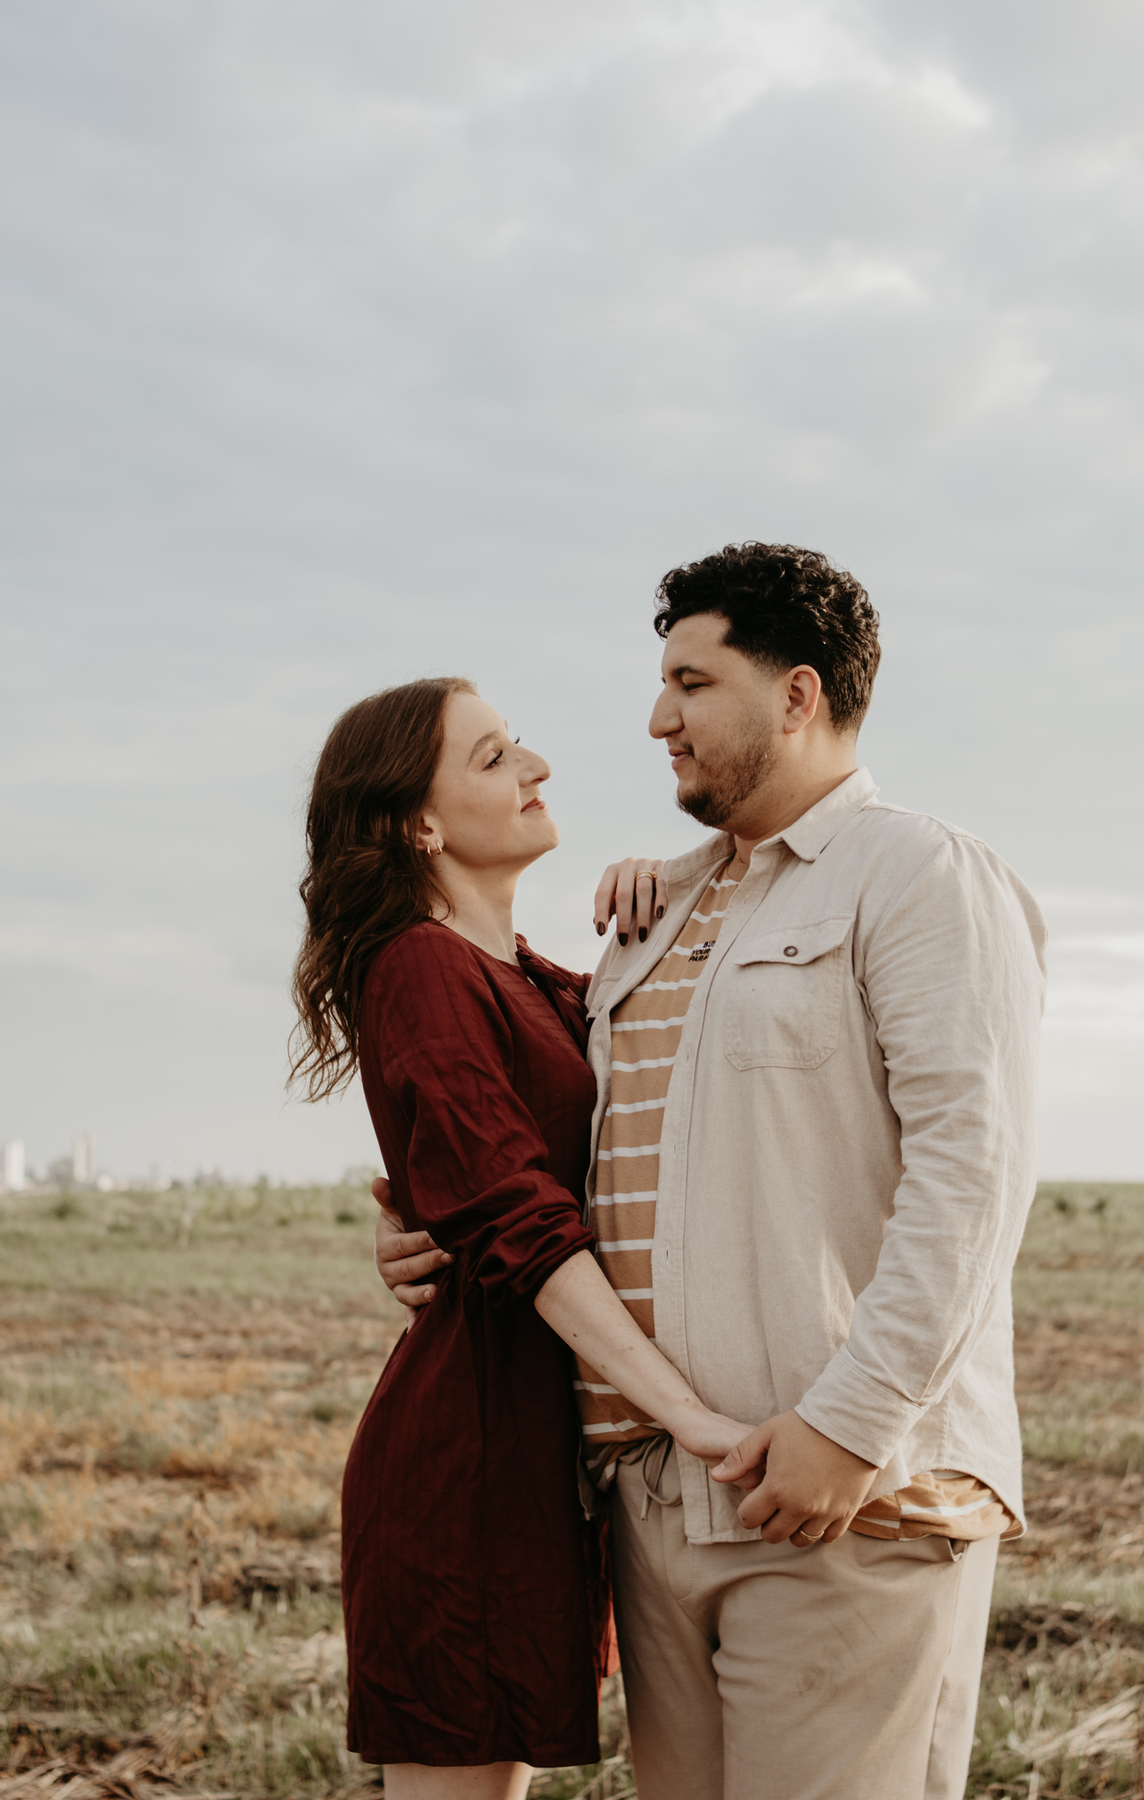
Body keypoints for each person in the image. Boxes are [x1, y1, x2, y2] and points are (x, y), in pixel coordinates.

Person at [377, 544, 1047, 1800]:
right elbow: (544, 1139)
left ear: (796, 696)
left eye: (691, 683)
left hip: (841, 1500)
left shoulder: (919, 875)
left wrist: (851, 1428)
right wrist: (417, 1223)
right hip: (654, 1502)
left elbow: (974, 1176)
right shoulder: (661, 913)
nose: (656, 718)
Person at [289, 675, 751, 1800]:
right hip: (469, 1462)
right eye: (494, 757)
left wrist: (665, 888)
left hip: (534, 1455)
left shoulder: (528, 977)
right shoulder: (419, 965)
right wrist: (687, 1412)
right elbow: (515, 1216)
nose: (537, 767)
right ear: (420, 825)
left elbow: (632, 1099)